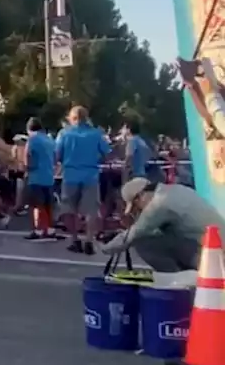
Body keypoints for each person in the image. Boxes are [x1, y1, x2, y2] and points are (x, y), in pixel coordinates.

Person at [102, 178, 225, 287]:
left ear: (141, 196)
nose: (139, 210)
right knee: (158, 236)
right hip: (215, 247)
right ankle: (189, 274)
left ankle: (175, 282)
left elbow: (133, 235)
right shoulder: (177, 190)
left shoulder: (158, 205)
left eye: (136, 206)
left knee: (142, 241)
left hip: (213, 257)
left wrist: (105, 248)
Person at [57, 106, 111, 255]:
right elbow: (107, 154)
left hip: (70, 175)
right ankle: (88, 240)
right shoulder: (96, 134)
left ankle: (75, 240)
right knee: (91, 210)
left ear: (72, 118)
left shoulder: (64, 134)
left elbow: (57, 155)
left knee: (69, 209)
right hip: (91, 176)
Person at [23, 118, 64, 241]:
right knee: (48, 205)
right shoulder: (49, 140)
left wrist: (27, 168)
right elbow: (55, 158)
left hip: (35, 176)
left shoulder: (32, 139)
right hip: (48, 176)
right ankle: (50, 230)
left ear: (29, 129)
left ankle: (38, 230)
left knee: (36, 205)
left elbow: (27, 156)